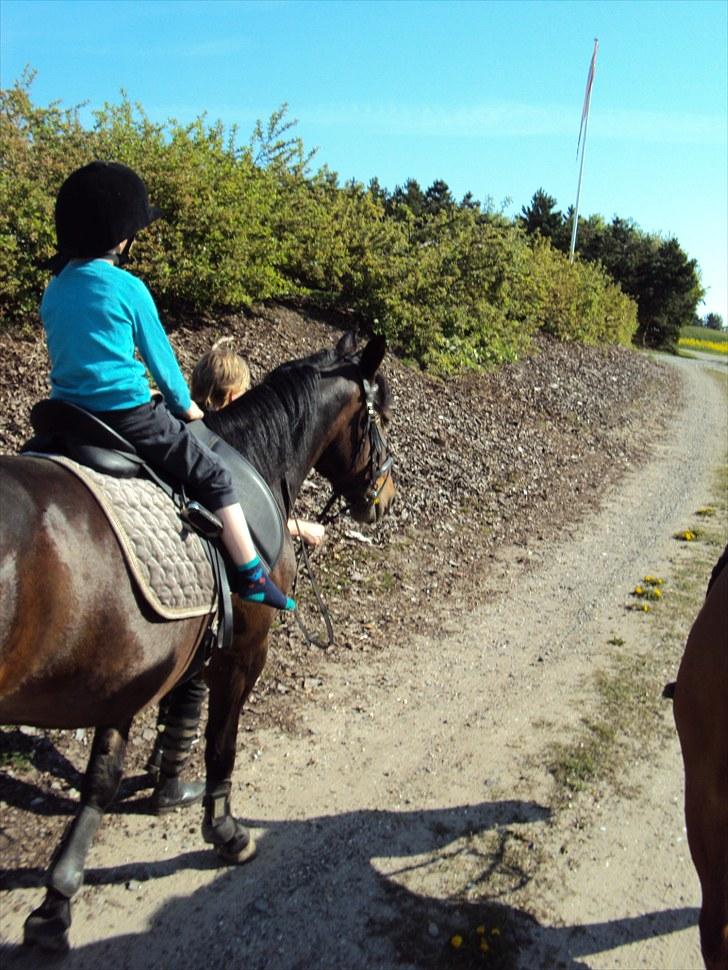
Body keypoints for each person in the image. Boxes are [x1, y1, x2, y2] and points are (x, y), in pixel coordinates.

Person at [40, 160, 295, 611]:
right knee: (213, 474)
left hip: (64, 413)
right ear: (121, 236)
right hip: (126, 415)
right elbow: (164, 368)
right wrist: (187, 408)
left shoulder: (54, 288)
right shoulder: (128, 288)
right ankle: (252, 572)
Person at [190, 337, 326, 548]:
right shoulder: (226, 446)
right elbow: (244, 518)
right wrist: (301, 528)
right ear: (234, 397)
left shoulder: (183, 428)